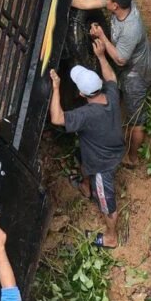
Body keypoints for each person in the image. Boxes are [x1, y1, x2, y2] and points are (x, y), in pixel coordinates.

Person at [72, 0, 151, 167]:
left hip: (135, 73)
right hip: (145, 56)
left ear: (115, 6)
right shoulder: (124, 3)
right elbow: (86, 3)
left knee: (136, 121)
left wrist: (101, 36)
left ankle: (132, 158)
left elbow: (120, 60)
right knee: (147, 71)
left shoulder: (130, 29)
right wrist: (65, 2)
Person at [49, 39, 123, 248]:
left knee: (107, 204)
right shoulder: (111, 95)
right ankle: (86, 187)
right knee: (83, 159)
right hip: (111, 149)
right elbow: (112, 78)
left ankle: (111, 238)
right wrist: (100, 57)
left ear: (81, 94)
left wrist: (56, 87)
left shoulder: (86, 115)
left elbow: (57, 118)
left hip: (103, 165)